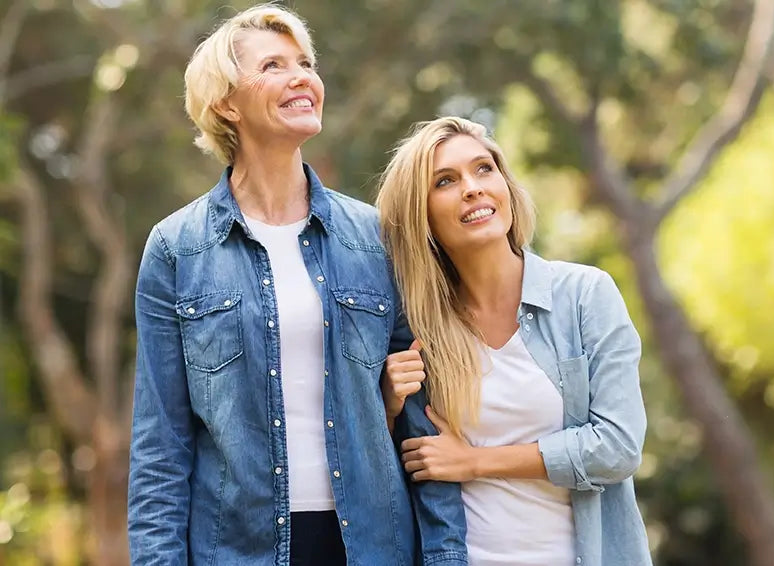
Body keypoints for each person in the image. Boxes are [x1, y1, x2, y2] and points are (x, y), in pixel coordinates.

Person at [125, 5, 439, 564]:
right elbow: (161, 446)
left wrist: (444, 554)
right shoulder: (176, 248)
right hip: (237, 549)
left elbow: (424, 423)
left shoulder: (376, 237)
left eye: (306, 63)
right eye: (273, 65)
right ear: (226, 102)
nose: (302, 78)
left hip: (371, 544)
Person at [375, 116, 652, 566]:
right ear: (420, 215)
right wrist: (387, 405)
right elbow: (393, 475)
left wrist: (476, 462)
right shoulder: (418, 330)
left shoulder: (584, 296)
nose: (472, 187)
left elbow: (618, 448)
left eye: (484, 169)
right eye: (445, 181)